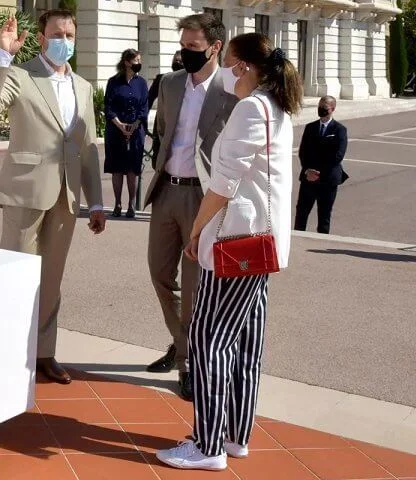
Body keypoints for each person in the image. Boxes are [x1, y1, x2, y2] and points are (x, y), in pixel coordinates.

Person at [156, 33, 302, 471]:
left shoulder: (250, 109)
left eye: (229, 65)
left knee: (209, 339)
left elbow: (222, 186)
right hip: (259, 243)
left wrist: (196, 233)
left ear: (241, 67)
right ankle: (235, 435)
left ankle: (208, 443)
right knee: (245, 340)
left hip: (235, 243)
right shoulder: (275, 108)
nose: (224, 75)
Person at [0, 10, 106, 384]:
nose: (64, 40)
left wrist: (95, 202)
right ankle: (6, 350)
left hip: (65, 198)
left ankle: (44, 352)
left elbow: (88, 147)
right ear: (41, 38)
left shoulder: (82, 86)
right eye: (57, 33)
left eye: (69, 33)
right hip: (25, 192)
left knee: (51, 279)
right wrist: (4, 56)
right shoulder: (20, 74)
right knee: (14, 274)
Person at [142, 13, 238, 401]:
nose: (185, 52)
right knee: (159, 273)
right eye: (182, 44)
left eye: (193, 46)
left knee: (196, 286)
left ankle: (186, 362)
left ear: (215, 48)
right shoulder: (170, 84)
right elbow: (164, 131)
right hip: (167, 191)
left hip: (204, 197)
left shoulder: (232, 90)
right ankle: (183, 342)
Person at [103, 49, 149, 218]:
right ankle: (117, 204)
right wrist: (120, 125)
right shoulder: (113, 82)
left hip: (136, 132)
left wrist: (136, 124)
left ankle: (131, 205)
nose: (138, 63)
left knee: (132, 169)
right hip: (116, 131)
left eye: (139, 60)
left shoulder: (142, 83)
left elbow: (144, 106)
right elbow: (108, 106)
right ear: (127, 62)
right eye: (136, 60)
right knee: (117, 169)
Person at [294, 95, 348, 234]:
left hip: (328, 180)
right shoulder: (310, 127)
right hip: (308, 178)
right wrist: (307, 171)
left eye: (324, 107)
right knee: (301, 213)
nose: (321, 109)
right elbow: (303, 152)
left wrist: (319, 173)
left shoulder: (339, 130)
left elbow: (338, 156)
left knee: (324, 215)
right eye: (319, 106)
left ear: (332, 109)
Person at [149, 51, 184, 168]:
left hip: (181, 126)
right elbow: (147, 101)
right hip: (162, 125)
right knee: (158, 160)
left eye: (180, 60)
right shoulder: (162, 79)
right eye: (175, 60)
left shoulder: (190, 80)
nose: (177, 62)